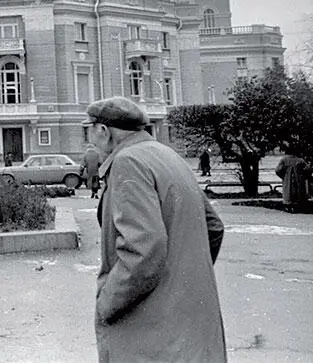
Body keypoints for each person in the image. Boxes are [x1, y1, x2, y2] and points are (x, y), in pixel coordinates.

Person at [84, 96, 226, 362]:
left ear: (103, 131)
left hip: (150, 332)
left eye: (88, 130)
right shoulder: (165, 153)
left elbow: (143, 249)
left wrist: (107, 303)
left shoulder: (128, 162)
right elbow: (213, 227)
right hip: (190, 324)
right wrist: (182, 278)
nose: (88, 138)